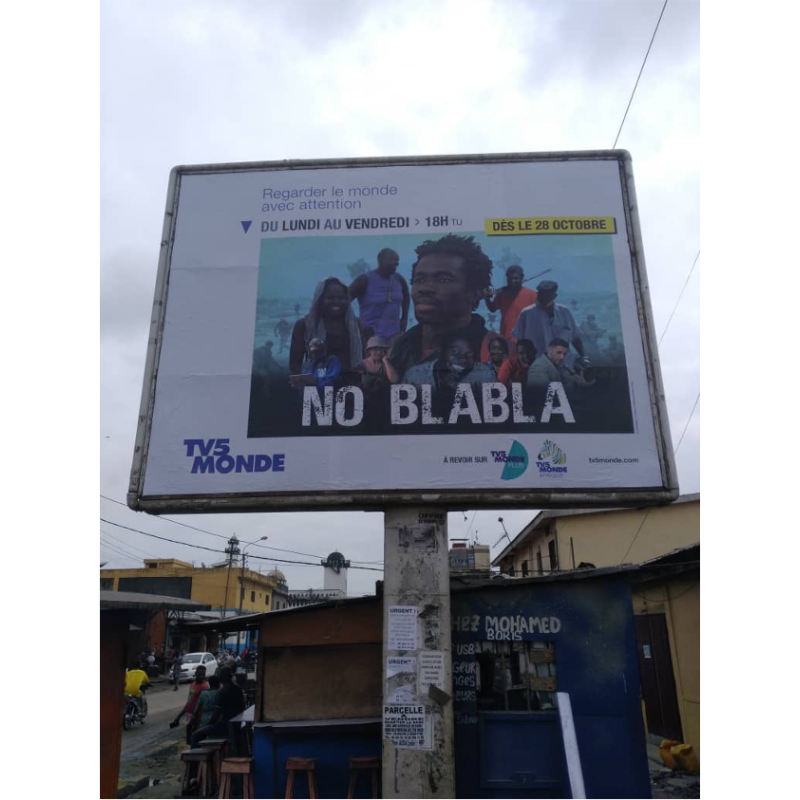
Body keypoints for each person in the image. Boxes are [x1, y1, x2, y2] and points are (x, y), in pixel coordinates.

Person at [386, 234, 494, 383]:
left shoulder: (493, 349)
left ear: (475, 293)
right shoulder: (398, 350)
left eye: (444, 279)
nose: (425, 288)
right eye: (420, 279)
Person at [289, 277, 363, 376]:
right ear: (319, 299)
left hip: (350, 385)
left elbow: (364, 358)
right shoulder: (303, 325)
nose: (336, 301)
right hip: (316, 385)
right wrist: (313, 382)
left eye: (341, 298)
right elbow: (295, 364)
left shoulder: (356, 324)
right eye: (330, 298)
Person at [512, 280, 586, 368]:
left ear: (554, 296)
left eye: (547, 294)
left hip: (565, 365)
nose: (543, 296)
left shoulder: (564, 312)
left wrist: (584, 357)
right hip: (537, 366)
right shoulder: (527, 313)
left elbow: (575, 338)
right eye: (541, 293)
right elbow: (519, 341)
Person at [348, 248, 410, 342]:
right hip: (370, 338)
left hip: (394, 337)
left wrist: (404, 318)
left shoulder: (399, 279)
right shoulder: (364, 280)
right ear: (380, 260)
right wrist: (355, 323)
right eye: (391, 262)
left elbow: (406, 297)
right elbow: (344, 300)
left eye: (396, 263)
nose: (395, 265)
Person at [190, 667, 246, 748]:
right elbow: (242, 706)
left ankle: (195, 759)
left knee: (195, 736)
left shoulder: (222, 692)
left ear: (221, 678)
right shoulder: (238, 690)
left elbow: (216, 715)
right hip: (237, 724)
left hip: (224, 727)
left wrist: (208, 725)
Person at [483, 265, 538, 342]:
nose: (512, 281)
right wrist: (487, 298)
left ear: (522, 277)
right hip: (506, 337)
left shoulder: (533, 295)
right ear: (506, 278)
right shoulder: (501, 294)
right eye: (510, 278)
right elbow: (492, 309)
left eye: (515, 278)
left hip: (526, 339)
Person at [527, 338, 595, 389]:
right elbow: (542, 393)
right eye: (559, 352)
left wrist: (577, 379)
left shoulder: (555, 363)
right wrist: (575, 385)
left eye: (565, 354)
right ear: (549, 350)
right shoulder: (538, 367)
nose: (562, 357)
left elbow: (566, 377)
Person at [170, 664, 209, 744]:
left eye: (203, 674)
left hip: (198, 718)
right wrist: (178, 717)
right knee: (189, 740)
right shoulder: (192, 685)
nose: (201, 676)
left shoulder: (205, 687)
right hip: (189, 717)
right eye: (199, 674)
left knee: (196, 740)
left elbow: (205, 704)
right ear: (195, 673)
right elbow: (189, 702)